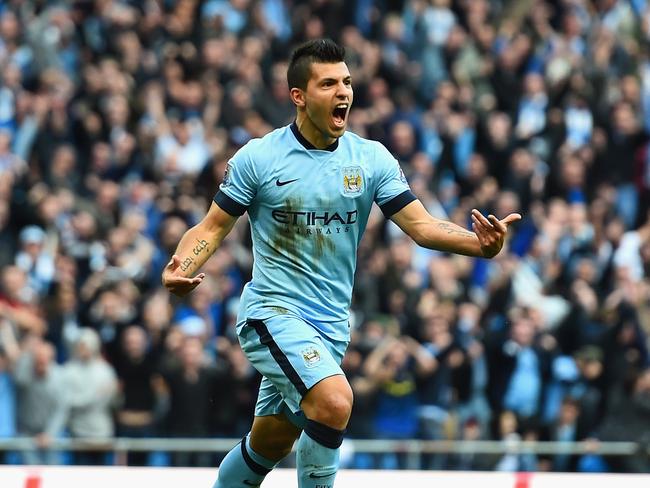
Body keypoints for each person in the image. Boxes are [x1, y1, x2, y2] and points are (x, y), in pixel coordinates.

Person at [162, 39, 521, 488]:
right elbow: (212, 227)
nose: (343, 92)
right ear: (299, 95)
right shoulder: (259, 157)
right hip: (271, 314)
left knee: (270, 441)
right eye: (329, 83)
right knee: (334, 402)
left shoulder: (370, 160)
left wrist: (479, 245)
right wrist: (181, 263)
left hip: (330, 326)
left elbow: (423, 226)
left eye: (347, 82)